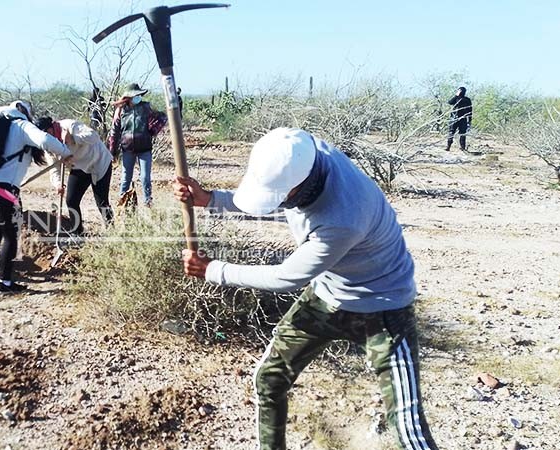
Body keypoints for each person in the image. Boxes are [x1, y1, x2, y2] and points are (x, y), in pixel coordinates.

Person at [173, 127, 439, 450]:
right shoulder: (302, 154)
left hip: (383, 308)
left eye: (284, 196)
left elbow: (288, 277)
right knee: (270, 379)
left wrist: (213, 270)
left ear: (300, 187)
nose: (281, 201)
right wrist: (212, 200)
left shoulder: (345, 215)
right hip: (327, 295)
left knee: (407, 427)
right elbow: (276, 199)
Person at [0, 106, 72, 294]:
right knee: (11, 234)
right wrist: (65, 151)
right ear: (24, 113)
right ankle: (5, 284)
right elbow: (45, 139)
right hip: (4, 189)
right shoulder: (20, 125)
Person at [35, 116, 113, 235]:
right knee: (71, 200)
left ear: (51, 126)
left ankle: (112, 229)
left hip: (99, 162)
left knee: (101, 201)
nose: (46, 136)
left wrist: (73, 138)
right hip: (79, 168)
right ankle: (78, 232)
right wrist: (57, 184)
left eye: (47, 131)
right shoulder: (48, 145)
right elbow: (54, 168)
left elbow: (93, 136)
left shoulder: (69, 126)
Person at [108, 83, 167, 207]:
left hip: (145, 148)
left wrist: (153, 129)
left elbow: (162, 117)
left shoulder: (146, 107)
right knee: (126, 178)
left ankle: (148, 203)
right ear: (128, 97)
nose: (138, 97)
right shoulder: (121, 110)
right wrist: (112, 151)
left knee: (145, 178)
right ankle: (122, 202)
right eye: (136, 95)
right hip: (127, 148)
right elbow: (114, 130)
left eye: (139, 95)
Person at [446, 86, 473, 152]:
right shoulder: (456, 98)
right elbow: (450, 102)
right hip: (454, 118)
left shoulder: (467, 99)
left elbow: (470, 110)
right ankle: (448, 146)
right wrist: (456, 95)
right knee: (451, 132)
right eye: (459, 91)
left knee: (462, 134)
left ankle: (463, 147)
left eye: (460, 91)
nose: (460, 92)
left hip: (463, 119)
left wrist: (469, 120)